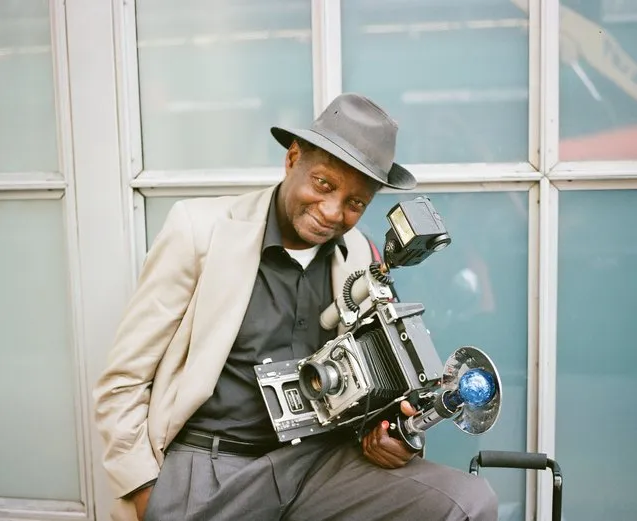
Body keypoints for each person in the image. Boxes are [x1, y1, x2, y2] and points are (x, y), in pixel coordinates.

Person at [93, 92, 498, 521]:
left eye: (355, 203)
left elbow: (372, 390)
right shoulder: (199, 231)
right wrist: (143, 491)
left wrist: (391, 438)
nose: (331, 211)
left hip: (318, 463)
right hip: (211, 466)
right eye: (323, 184)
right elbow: (123, 382)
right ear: (292, 159)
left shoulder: (360, 255)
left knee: (466, 503)